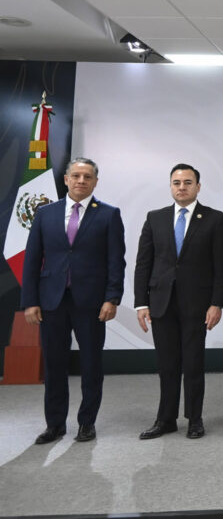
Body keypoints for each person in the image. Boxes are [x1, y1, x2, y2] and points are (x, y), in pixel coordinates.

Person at [21, 158, 126, 444]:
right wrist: (30, 301)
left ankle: (86, 423)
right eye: (76, 176)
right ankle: (54, 424)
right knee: (54, 365)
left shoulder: (109, 215)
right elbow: (32, 260)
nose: (81, 181)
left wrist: (112, 298)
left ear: (95, 182)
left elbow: (116, 261)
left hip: (91, 302)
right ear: (66, 179)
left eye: (87, 176)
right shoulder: (45, 213)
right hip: (51, 301)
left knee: (91, 365)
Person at [134, 163, 223, 440]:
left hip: (197, 304)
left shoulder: (214, 219)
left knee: (193, 363)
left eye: (188, 182)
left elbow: (221, 267)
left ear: (198, 187)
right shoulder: (155, 218)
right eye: (176, 183)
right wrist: (141, 303)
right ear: (170, 186)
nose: (182, 187)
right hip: (161, 302)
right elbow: (144, 263)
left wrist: (217, 303)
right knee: (167, 365)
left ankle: (194, 419)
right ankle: (165, 419)